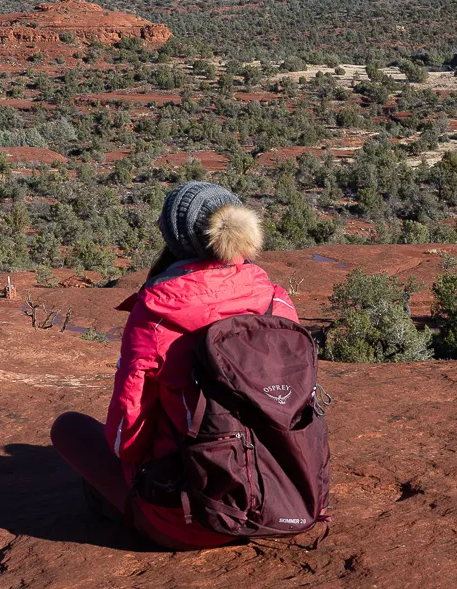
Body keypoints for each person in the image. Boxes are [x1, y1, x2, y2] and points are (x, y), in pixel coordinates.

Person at [50, 180, 298, 549]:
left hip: (187, 520)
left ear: (175, 237)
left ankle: (124, 512)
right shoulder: (275, 302)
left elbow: (126, 441)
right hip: (281, 502)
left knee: (68, 428)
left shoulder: (155, 314)